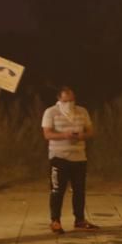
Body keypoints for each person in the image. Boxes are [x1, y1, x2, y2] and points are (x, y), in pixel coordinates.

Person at [41, 86, 99, 234]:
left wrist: (82, 136)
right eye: (66, 100)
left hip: (79, 157)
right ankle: (55, 221)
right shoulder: (51, 112)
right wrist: (65, 135)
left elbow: (91, 130)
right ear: (59, 99)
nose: (69, 103)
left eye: (72, 100)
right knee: (57, 191)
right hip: (58, 157)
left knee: (79, 191)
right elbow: (47, 134)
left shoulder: (82, 111)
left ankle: (79, 220)